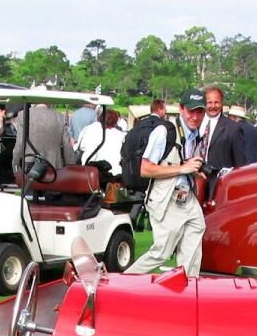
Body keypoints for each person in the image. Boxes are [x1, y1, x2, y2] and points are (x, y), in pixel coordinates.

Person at [124, 89, 206, 279]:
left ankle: (187, 289)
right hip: (166, 198)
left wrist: (194, 170)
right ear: (181, 109)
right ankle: (121, 283)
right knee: (162, 251)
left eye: (199, 112)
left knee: (196, 231)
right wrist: (182, 168)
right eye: (191, 111)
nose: (195, 116)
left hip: (186, 196)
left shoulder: (194, 134)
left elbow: (182, 164)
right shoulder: (164, 132)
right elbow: (145, 170)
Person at [12, 103, 76, 173]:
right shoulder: (61, 117)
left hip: (30, 165)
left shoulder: (23, 115)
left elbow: (20, 143)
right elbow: (66, 145)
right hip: (54, 165)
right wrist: (71, 167)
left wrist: (15, 164)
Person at [202, 87, 247, 172]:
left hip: (219, 180)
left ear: (222, 103)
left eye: (216, 102)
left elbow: (240, 162)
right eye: (209, 103)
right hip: (195, 179)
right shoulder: (196, 124)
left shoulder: (233, 128)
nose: (213, 106)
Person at [75, 109, 126, 177]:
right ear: (116, 121)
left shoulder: (88, 129)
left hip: (90, 171)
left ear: (100, 117)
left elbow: (81, 146)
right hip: (113, 171)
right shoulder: (121, 135)